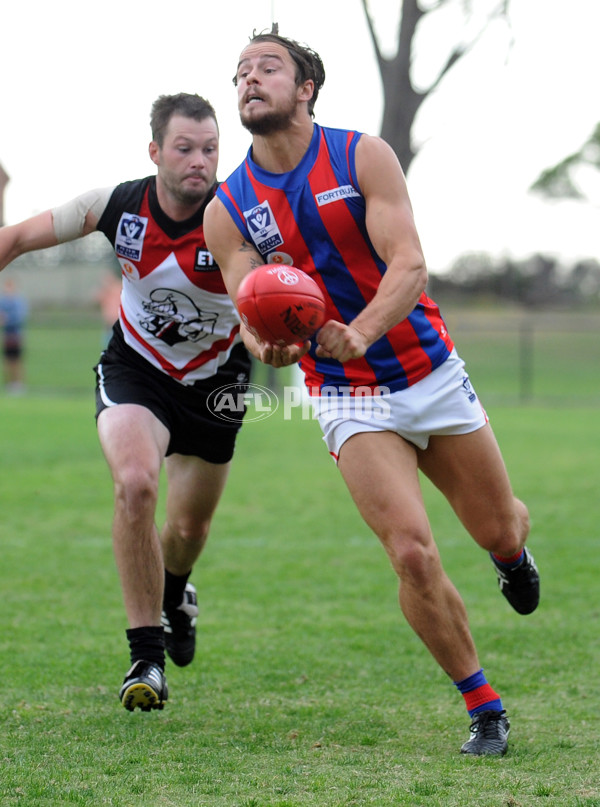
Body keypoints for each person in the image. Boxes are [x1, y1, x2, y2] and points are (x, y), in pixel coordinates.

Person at [204, 28, 540, 756]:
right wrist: (274, 345)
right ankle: (484, 705)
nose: (249, 80)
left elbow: (410, 264)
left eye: (267, 68)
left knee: (499, 528)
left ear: (307, 87)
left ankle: (512, 554)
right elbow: (249, 319)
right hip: (345, 396)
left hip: (428, 371)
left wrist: (358, 329)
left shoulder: (362, 156)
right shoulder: (228, 207)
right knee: (412, 553)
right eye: (239, 73)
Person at [0, 93, 251, 712]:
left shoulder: (240, 215)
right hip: (136, 370)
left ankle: (177, 593)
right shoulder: (117, 205)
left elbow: (266, 296)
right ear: (156, 151)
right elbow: (17, 237)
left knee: (188, 529)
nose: (200, 161)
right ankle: (146, 657)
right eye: (186, 148)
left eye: (211, 149)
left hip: (217, 384)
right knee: (136, 485)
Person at [0, 277, 28, 394]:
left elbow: (20, 317)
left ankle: (18, 384)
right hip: (6, 335)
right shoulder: (2, 301)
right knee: (7, 360)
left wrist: (7, 319)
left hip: (16, 335)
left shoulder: (18, 301)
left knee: (16, 360)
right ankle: (9, 384)